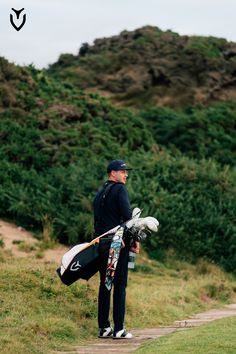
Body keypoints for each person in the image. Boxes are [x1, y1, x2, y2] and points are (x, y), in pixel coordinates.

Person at [93, 159, 139, 339]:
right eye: (122, 171)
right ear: (113, 173)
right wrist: (135, 240)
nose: (126, 174)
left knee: (105, 284)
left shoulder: (100, 192)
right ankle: (119, 329)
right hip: (117, 245)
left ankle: (104, 328)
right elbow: (128, 218)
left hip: (101, 244)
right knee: (120, 284)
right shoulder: (120, 189)